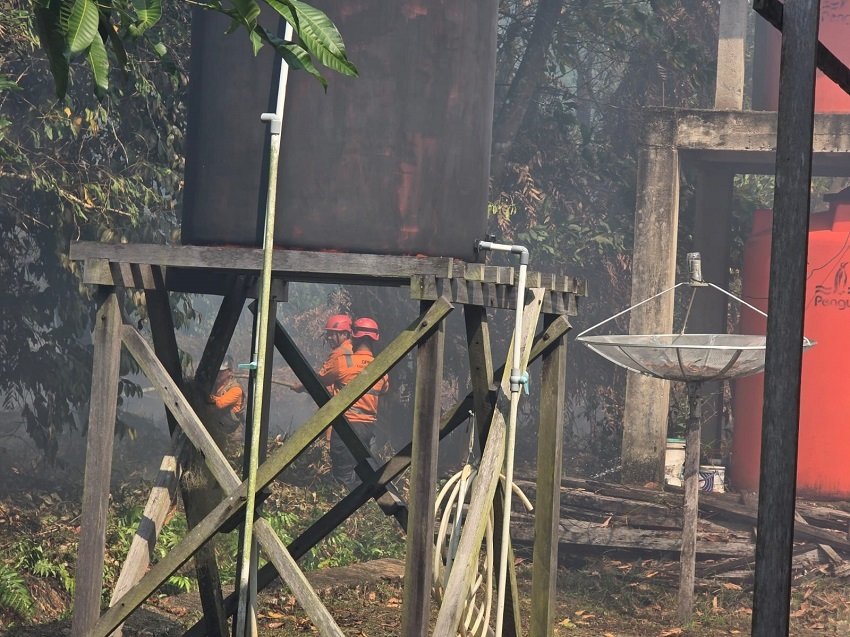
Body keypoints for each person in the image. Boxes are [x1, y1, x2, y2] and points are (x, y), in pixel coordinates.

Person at [288, 314, 389, 488]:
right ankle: (362, 507)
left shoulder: (343, 362)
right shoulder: (380, 367)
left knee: (342, 478)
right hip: (367, 428)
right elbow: (384, 389)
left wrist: (302, 387)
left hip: (346, 426)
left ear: (352, 336)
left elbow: (319, 381)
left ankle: (348, 509)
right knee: (361, 474)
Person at [207, 355, 245, 455]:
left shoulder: (236, 389)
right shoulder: (216, 385)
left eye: (221, 372)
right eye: (217, 371)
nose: (218, 374)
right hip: (219, 429)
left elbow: (220, 404)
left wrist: (210, 397)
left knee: (233, 457)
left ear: (229, 372)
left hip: (232, 432)